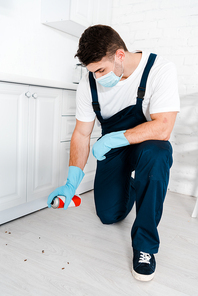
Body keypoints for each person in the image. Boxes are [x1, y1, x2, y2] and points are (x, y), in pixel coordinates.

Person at [47, 25, 180, 281]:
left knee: (157, 155)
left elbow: (163, 127)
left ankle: (145, 247)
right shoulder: (89, 83)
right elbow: (82, 134)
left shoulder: (159, 69)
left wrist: (113, 139)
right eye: (92, 72)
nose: (96, 77)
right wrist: (71, 182)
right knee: (109, 215)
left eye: (100, 70)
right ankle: (132, 184)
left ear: (120, 55)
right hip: (114, 147)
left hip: (148, 142)